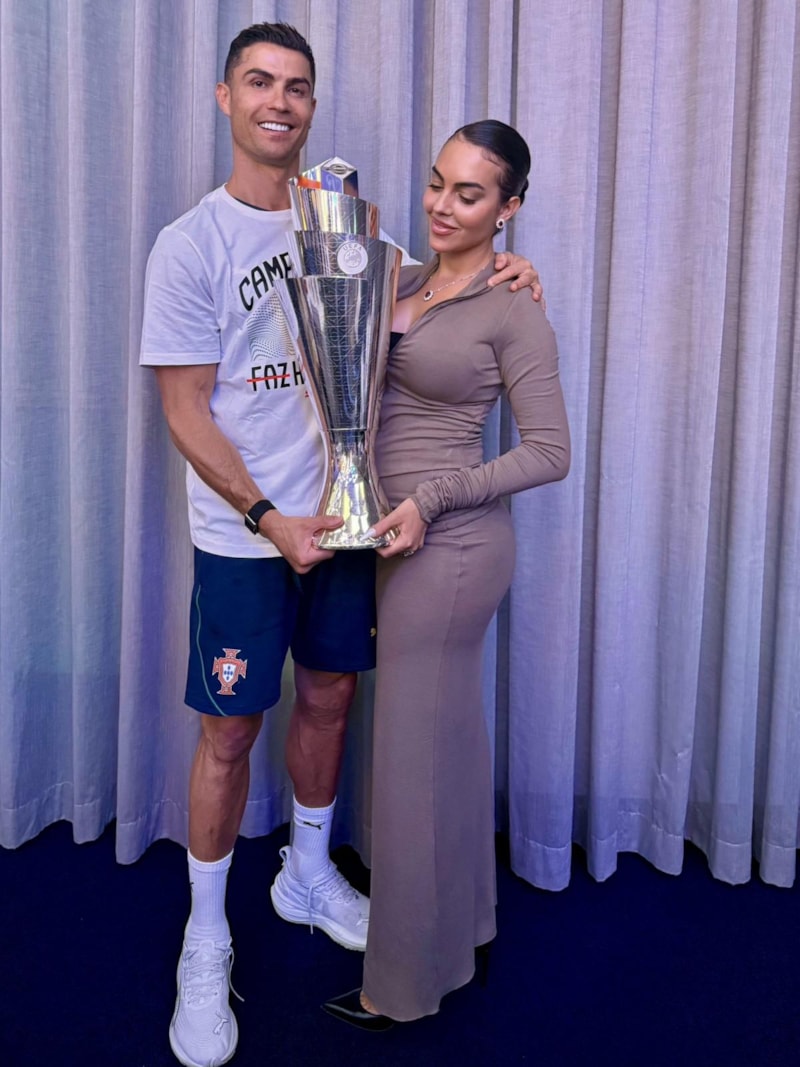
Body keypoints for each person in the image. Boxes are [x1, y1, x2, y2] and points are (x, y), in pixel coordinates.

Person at [139, 22, 543, 1067]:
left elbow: (444, 290)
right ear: (225, 97)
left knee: (329, 699)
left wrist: (510, 268)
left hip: (349, 521)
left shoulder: (352, 230)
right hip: (247, 534)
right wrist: (264, 515)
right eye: (259, 82)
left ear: (313, 107)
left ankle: (307, 874)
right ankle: (205, 935)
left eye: (297, 87)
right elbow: (183, 410)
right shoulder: (190, 244)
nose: (279, 101)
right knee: (230, 730)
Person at [322, 120, 570, 1028]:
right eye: (437, 183)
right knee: (447, 748)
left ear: (509, 209)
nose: (442, 205)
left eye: (469, 194)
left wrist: (433, 497)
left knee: (411, 763)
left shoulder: (514, 308)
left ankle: (401, 987)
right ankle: (465, 927)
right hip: (396, 540)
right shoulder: (405, 277)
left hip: (454, 549)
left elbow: (551, 452)